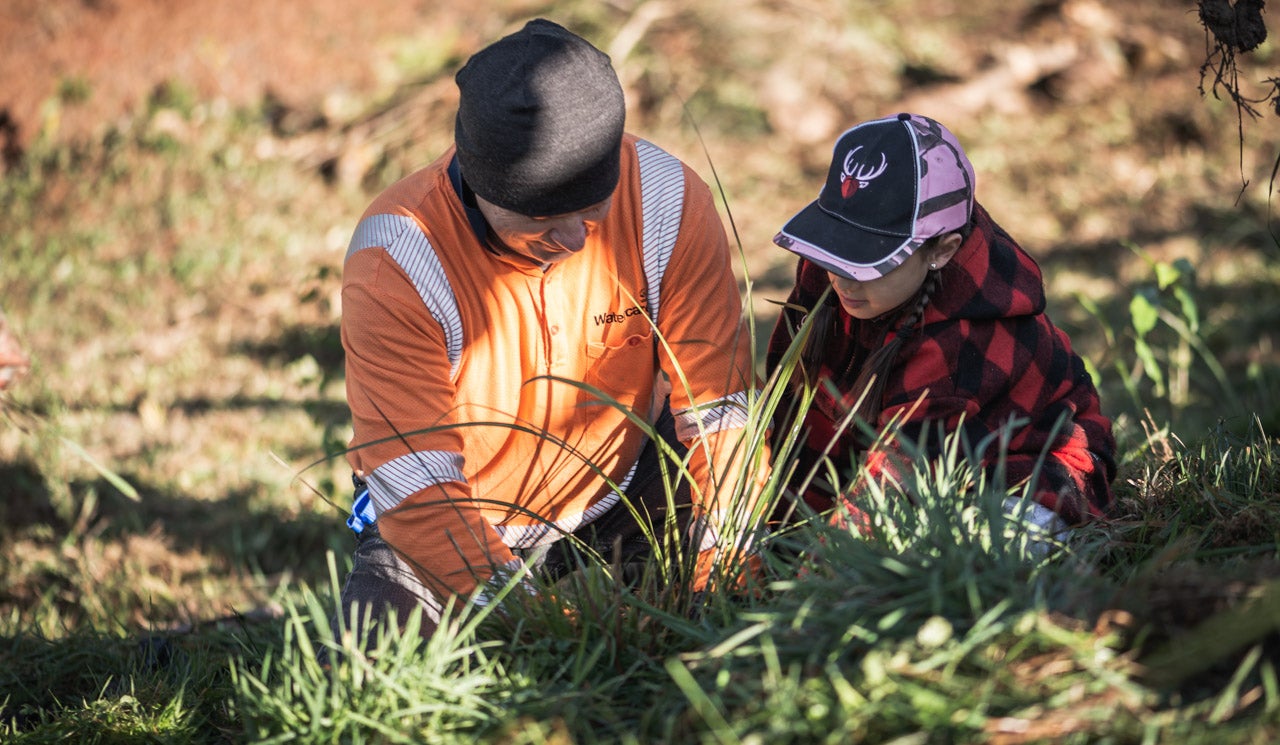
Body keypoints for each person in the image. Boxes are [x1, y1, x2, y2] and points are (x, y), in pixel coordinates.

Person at [335, 19, 766, 645]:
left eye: (593, 210)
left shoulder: (669, 200)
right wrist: (549, 627)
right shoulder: (396, 257)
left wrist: (724, 569)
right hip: (464, 515)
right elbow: (416, 481)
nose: (572, 240)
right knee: (367, 673)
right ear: (478, 187)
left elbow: (718, 405)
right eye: (540, 219)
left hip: (628, 486)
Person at [766, 113, 1115, 541]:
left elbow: (888, 488)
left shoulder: (962, 340)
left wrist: (807, 592)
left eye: (870, 259)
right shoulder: (830, 276)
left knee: (949, 549)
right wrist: (780, 536)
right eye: (837, 247)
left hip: (1024, 473)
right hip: (909, 453)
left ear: (943, 249)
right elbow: (796, 412)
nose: (843, 276)